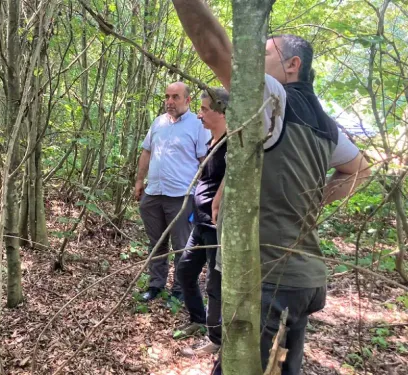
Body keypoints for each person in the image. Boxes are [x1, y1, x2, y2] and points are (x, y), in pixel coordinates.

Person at [171, 1, 371, 374]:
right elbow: (359, 170)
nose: (255, 61)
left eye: (264, 53)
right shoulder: (325, 123)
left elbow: (214, 48)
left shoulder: (275, 98)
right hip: (302, 277)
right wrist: (312, 200)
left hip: (272, 279)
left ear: (292, 66)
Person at [135, 82, 210, 302]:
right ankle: (155, 285)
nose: (169, 102)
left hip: (182, 196)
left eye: (175, 97)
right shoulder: (158, 122)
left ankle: (180, 290)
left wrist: (205, 194)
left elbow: (204, 161)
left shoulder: (198, 126)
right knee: (156, 243)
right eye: (167, 96)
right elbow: (147, 151)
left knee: (181, 246)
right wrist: (140, 180)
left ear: (187, 100)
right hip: (154, 192)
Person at [174, 88, 228, 359]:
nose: (200, 113)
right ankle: (198, 317)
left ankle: (216, 339)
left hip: (219, 228)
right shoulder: (211, 141)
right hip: (200, 223)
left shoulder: (234, 144)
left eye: (205, 109)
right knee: (184, 271)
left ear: (222, 111)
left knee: (215, 286)